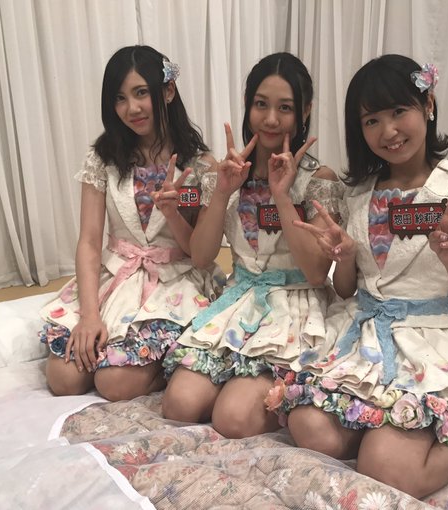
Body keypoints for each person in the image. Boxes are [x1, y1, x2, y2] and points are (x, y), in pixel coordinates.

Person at [266, 55, 448, 498]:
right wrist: (346, 258)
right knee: (310, 429)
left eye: (399, 111)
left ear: (427, 105)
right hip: (364, 338)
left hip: (430, 341)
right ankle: (381, 421)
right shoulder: (356, 194)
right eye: (372, 121)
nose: (388, 131)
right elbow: (345, 290)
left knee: (386, 469)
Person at [161, 52, 344, 438]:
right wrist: (222, 191)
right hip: (239, 300)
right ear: (247, 104)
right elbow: (201, 256)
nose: (271, 119)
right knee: (179, 404)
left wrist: (282, 194)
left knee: (233, 419)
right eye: (261, 104)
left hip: (294, 306)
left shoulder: (318, 179)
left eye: (285, 108)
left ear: (305, 111)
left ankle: (282, 388)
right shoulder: (227, 171)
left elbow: (316, 273)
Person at [39, 45, 222, 402]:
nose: (132, 108)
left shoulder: (198, 165)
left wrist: (173, 212)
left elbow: (197, 252)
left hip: (174, 281)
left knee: (114, 383)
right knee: (63, 379)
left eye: (141, 93)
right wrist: (89, 316)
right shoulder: (103, 157)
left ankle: (166, 364)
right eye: (120, 98)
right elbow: (89, 241)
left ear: (168, 91)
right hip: (116, 278)